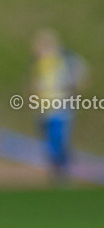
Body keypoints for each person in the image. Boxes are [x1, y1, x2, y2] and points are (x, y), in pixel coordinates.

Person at [29, 28, 88, 183]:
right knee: (49, 143)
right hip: (43, 109)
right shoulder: (38, 63)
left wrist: (71, 89)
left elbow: (80, 73)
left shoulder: (64, 60)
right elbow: (34, 83)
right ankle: (57, 171)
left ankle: (63, 171)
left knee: (59, 140)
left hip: (60, 108)